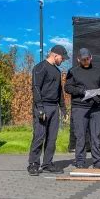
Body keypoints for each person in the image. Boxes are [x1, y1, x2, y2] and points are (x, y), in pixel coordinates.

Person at [27, 45, 69, 176]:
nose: (63, 60)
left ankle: (47, 164)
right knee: (39, 136)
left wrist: (63, 109)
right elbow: (36, 88)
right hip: (42, 106)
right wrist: (39, 108)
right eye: (62, 58)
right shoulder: (40, 68)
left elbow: (59, 92)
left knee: (52, 138)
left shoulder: (57, 72)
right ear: (55, 55)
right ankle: (33, 164)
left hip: (53, 108)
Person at [65, 48, 100, 169]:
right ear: (78, 59)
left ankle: (98, 161)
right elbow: (67, 87)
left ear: (91, 57)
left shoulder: (98, 71)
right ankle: (80, 161)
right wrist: (81, 91)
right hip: (79, 108)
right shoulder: (73, 71)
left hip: (95, 108)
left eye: (88, 58)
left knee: (95, 136)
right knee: (80, 136)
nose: (86, 61)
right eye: (83, 59)